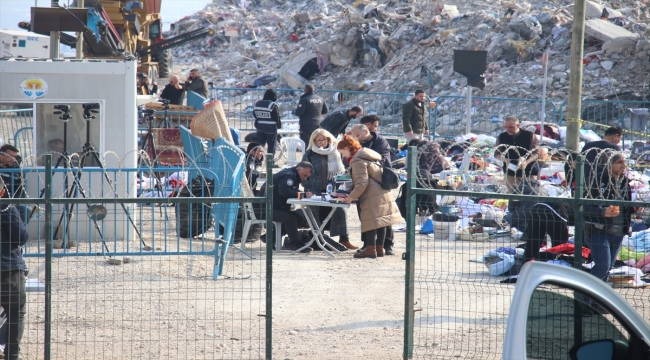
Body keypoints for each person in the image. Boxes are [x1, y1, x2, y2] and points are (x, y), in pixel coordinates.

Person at [337, 135, 402, 259]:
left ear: (347, 148)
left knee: (370, 222)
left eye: (342, 152)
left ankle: (370, 250)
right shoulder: (368, 156)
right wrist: (351, 189)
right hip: (382, 192)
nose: (342, 155)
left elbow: (362, 183)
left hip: (371, 194)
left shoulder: (356, 160)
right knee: (381, 222)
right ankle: (380, 248)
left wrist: (350, 197)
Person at [583, 151, 634, 284]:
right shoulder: (595, 182)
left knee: (608, 268)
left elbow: (625, 207)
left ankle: (598, 302)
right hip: (598, 231)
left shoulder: (625, 183)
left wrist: (633, 209)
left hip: (618, 232)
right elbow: (581, 207)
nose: (624, 166)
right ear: (608, 165)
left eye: (625, 163)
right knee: (602, 267)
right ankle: (584, 298)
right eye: (619, 163)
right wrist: (601, 212)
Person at [348, 120, 397, 255]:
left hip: (379, 182)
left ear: (365, 131)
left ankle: (387, 244)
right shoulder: (358, 145)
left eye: (357, 136)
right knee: (366, 217)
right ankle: (369, 245)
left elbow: (382, 160)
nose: (356, 139)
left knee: (383, 216)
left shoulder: (380, 142)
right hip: (366, 184)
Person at [301, 129, 356, 249]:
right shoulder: (310, 154)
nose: (322, 142)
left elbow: (345, 169)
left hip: (334, 188)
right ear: (314, 141)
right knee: (316, 214)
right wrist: (306, 187)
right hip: (314, 189)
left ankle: (344, 239)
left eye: (324, 139)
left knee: (340, 211)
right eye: (319, 140)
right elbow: (301, 172)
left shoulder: (336, 151)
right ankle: (319, 239)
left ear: (329, 139)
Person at [0, 177, 28, 360]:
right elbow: (21, 237)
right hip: (8, 268)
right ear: (2, 191)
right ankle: (12, 355)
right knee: (15, 312)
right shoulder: (6, 208)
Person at [257, 162, 313, 250]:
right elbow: (284, 191)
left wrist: (302, 194)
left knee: (299, 218)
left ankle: (270, 237)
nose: (304, 178)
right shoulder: (288, 175)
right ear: (298, 169)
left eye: (306, 177)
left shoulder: (292, 175)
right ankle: (297, 244)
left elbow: (291, 190)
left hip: (272, 207)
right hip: (263, 208)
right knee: (290, 219)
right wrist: (303, 195)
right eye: (304, 175)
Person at [493, 116, 540, 193]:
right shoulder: (502, 137)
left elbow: (536, 153)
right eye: (506, 127)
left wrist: (526, 162)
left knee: (530, 195)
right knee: (514, 196)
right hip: (510, 172)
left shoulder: (529, 136)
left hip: (529, 171)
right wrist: (505, 160)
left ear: (518, 126)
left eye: (511, 127)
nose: (508, 129)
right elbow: (497, 153)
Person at [0, 145, 25, 222]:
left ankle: (17, 233)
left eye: (15, 157)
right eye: (10, 156)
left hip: (11, 204)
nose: (13, 159)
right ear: (1, 157)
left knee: (25, 210)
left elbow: (20, 190)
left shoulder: (17, 171)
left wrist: (14, 203)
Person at [253, 88, 282, 155]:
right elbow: (276, 117)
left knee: (260, 146)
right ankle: (270, 162)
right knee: (271, 147)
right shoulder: (272, 105)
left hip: (260, 127)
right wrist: (279, 125)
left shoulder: (257, 103)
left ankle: (258, 161)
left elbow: (255, 114)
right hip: (271, 129)